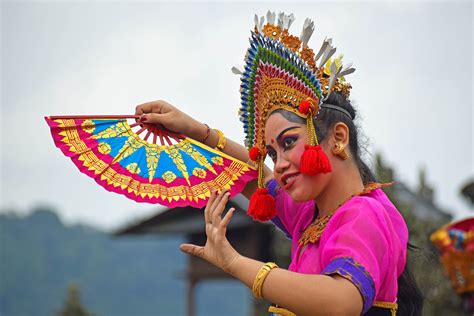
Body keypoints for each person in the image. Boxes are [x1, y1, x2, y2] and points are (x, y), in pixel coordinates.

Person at [135, 12, 423, 316]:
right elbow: (250, 174)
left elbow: (342, 301)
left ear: (337, 137)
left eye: (288, 143)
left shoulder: (363, 213)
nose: (279, 164)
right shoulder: (310, 218)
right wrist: (196, 132)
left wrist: (237, 264)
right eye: (272, 154)